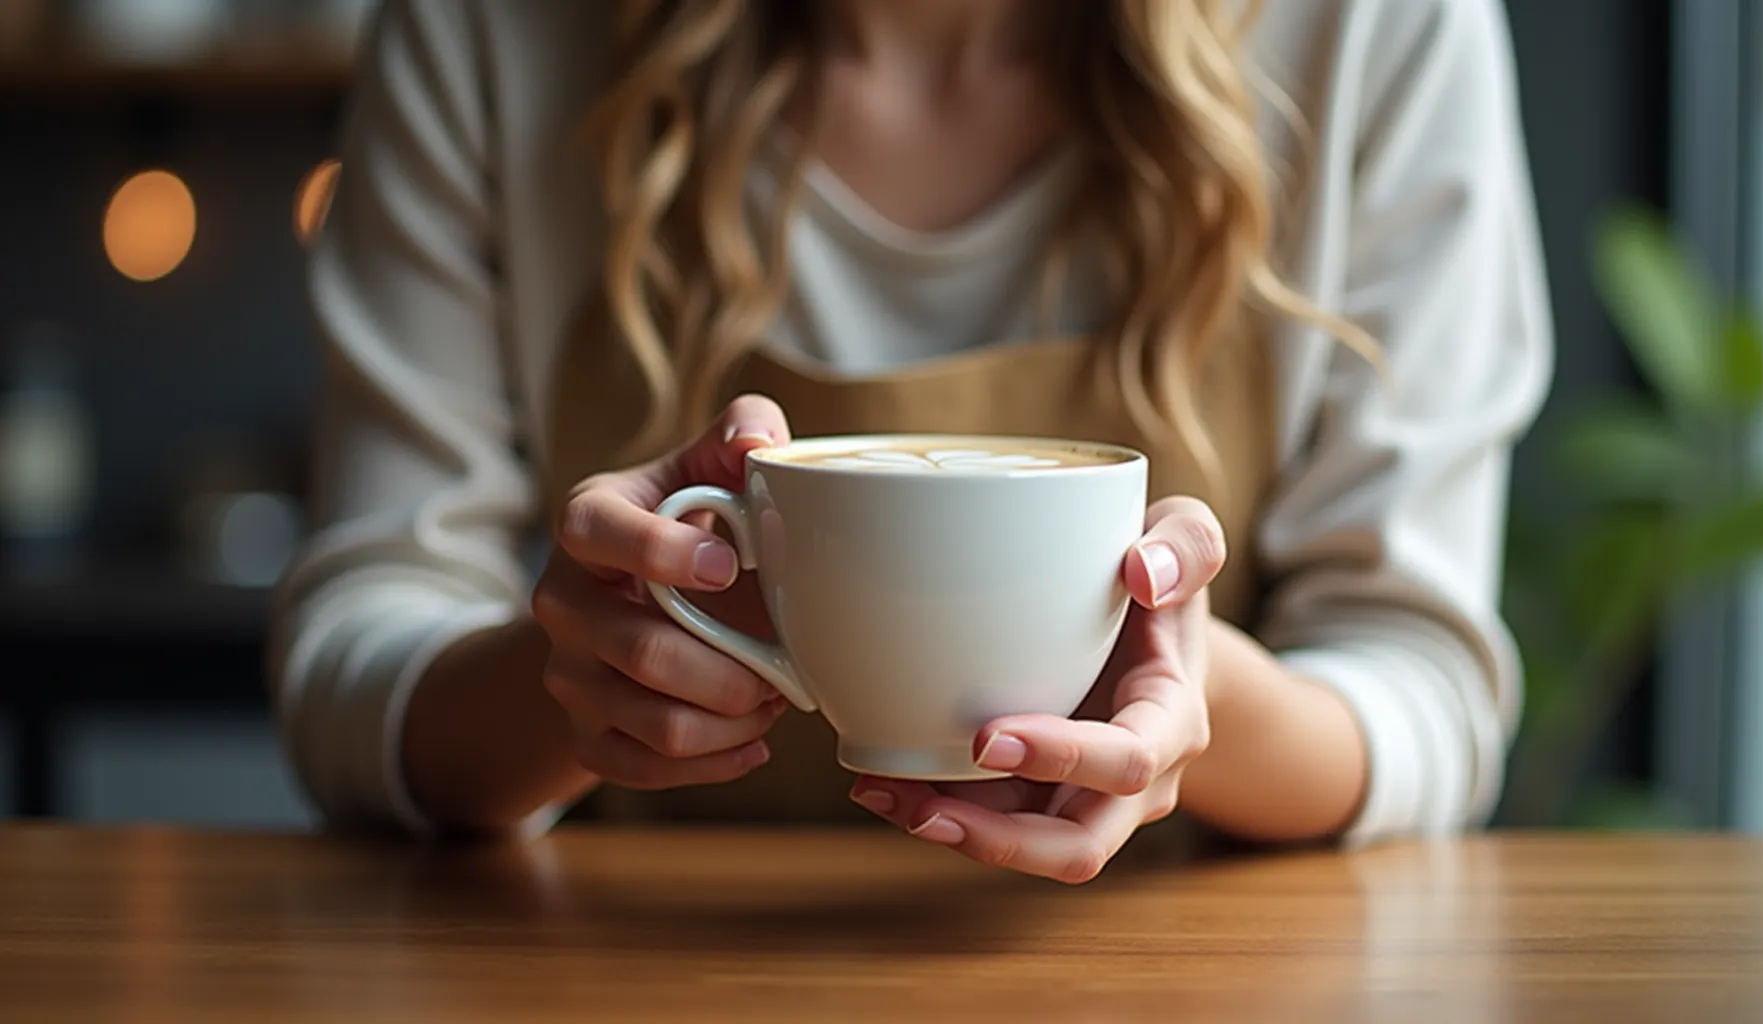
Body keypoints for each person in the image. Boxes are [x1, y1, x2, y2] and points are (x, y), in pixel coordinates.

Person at [271, 0, 1552, 883]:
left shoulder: (1372, 32)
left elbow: (1421, 684)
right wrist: (569, 683)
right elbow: (352, 653)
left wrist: (1192, 697)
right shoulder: (489, 35)